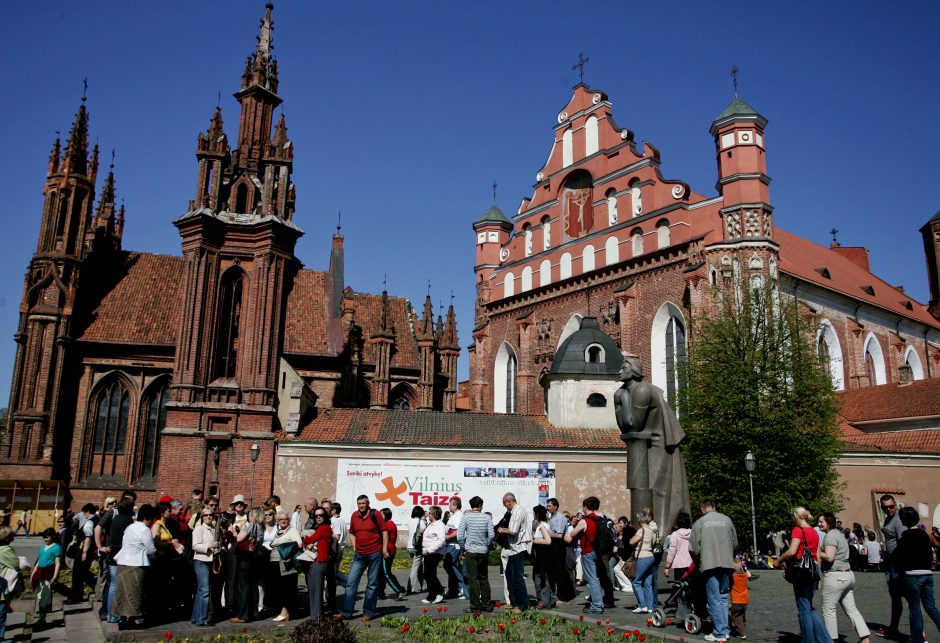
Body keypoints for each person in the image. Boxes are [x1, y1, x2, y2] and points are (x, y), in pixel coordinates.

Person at [775, 507, 829, 643]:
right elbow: (817, 555)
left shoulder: (798, 530)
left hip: (801, 572)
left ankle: (809, 640)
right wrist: (818, 575)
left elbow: (792, 551)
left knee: (804, 609)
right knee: (809, 607)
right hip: (812, 571)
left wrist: (779, 559)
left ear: (797, 516)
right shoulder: (814, 532)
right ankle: (825, 639)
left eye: (793, 517)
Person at [818, 511, 869, 643]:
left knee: (828, 609)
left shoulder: (830, 536)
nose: (819, 524)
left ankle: (831, 640)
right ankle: (864, 638)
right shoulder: (839, 534)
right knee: (851, 609)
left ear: (828, 522)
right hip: (848, 575)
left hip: (836, 577)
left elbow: (829, 557)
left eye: (821, 522)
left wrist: (817, 551)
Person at [690, 498, 736, 642]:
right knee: (723, 598)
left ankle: (719, 632)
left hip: (710, 564)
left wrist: (698, 560)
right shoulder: (727, 520)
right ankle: (725, 629)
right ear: (714, 506)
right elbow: (735, 543)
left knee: (714, 599)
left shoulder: (699, 523)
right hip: (727, 563)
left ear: (702, 508)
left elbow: (693, 548)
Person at [337, 495, 388, 621]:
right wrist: (355, 546)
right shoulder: (354, 515)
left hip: (374, 553)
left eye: (363, 503)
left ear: (368, 503)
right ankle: (346, 612)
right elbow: (351, 532)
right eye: (359, 503)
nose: (361, 505)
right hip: (359, 555)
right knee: (351, 582)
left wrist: (384, 549)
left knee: (372, 584)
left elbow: (384, 531)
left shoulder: (375, 514)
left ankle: (368, 613)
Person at [895, 506, 940, 643]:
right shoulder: (925, 535)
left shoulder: (905, 536)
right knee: (931, 607)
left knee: (914, 608)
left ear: (904, 520)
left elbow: (901, 557)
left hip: (913, 575)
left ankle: (917, 639)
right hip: (927, 573)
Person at [113, 504, 158, 630]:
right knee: (134, 592)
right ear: (147, 517)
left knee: (122, 592)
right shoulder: (144, 529)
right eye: (151, 519)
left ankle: (123, 618)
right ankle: (130, 620)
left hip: (123, 562)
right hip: (136, 564)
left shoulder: (130, 527)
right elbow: (150, 549)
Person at [565, 497, 605, 614]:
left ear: (585, 507)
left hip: (588, 551)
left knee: (591, 579)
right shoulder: (600, 519)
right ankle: (596, 602)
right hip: (598, 551)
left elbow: (571, 535)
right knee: (595, 578)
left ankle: (597, 605)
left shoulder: (585, 521)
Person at [458, 496, 495, 613]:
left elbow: (460, 536)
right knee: (484, 578)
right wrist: (487, 545)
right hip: (483, 551)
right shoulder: (487, 517)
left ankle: (475, 605)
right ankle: (487, 605)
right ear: (480, 506)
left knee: (472, 579)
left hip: (471, 551)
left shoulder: (466, 517)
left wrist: (464, 548)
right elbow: (492, 535)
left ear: (471, 505)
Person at [497, 493, 531, 614]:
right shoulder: (517, 511)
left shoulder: (517, 512)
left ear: (509, 501)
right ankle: (514, 601)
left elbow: (513, 531)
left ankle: (523, 605)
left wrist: (501, 530)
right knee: (509, 575)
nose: (504, 506)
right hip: (513, 548)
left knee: (517, 577)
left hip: (518, 548)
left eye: (504, 503)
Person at [878, 494, 906, 639]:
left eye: (891, 506)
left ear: (895, 504)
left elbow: (903, 542)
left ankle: (919, 632)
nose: (888, 509)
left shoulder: (899, 520)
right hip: (891, 563)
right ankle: (893, 627)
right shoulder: (888, 519)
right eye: (885, 507)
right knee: (895, 597)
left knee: (909, 598)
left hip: (898, 564)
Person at [229, 498, 262, 623]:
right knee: (253, 586)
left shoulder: (251, 525)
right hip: (255, 558)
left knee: (243, 586)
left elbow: (239, 539)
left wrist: (235, 531)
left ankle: (242, 615)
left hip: (245, 558)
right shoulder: (261, 527)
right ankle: (253, 613)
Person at [268, 510, 302, 622]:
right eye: (281, 519)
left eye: (285, 519)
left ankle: (285, 613)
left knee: (285, 589)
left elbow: (299, 544)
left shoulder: (292, 530)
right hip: (275, 563)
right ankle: (282, 611)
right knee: (277, 588)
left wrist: (283, 546)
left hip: (285, 565)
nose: (283, 521)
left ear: (289, 520)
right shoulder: (278, 531)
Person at [302, 507, 334, 620]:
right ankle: (314, 614)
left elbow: (308, 540)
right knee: (312, 589)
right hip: (314, 560)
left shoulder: (324, 528)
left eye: (321, 515)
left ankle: (318, 615)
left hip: (320, 561)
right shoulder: (319, 528)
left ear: (325, 517)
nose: (318, 517)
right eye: (316, 516)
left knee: (316, 588)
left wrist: (307, 540)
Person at [191, 507, 219, 626]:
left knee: (201, 590)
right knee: (204, 590)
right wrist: (209, 546)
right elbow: (195, 545)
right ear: (202, 517)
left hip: (210, 561)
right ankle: (202, 618)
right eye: (206, 515)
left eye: (211, 515)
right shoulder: (198, 529)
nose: (208, 517)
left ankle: (196, 617)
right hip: (201, 560)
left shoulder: (213, 529)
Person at [628, 508, 657, 614]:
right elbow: (653, 542)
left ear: (640, 520)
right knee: (648, 583)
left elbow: (632, 542)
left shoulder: (641, 530)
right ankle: (650, 607)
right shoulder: (651, 530)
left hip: (642, 557)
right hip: (650, 557)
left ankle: (642, 605)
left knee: (636, 582)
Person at [547, 498, 575, 603]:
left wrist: (546, 534)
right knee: (556, 572)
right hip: (553, 546)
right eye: (547, 506)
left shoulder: (559, 518)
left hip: (558, 546)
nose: (548, 508)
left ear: (556, 506)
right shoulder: (552, 517)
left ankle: (564, 596)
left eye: (550, 506)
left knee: (560, 572)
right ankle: (562, 593)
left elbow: (559, 535)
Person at [31, 528, 62, 624]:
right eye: (44, 537)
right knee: (40, 596)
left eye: (47, 537)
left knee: (45, 596)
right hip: (40, 574)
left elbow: (57, 563)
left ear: (52, 536)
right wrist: (33, 573)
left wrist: (55, 576)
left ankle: (42, 618)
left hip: (48, 574)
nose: (45, 539)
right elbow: (39, 561)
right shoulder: (42, 547)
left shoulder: (57, 547)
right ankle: (41, 616)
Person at [665, 511, 693, 618]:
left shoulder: (675, 535)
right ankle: (691, 607)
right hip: (691, 565)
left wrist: (667, 566)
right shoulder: (692, 533)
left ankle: (681, 609)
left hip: (679, 564)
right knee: (690, 587)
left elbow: (672, 551)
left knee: (679, 587)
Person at [376, 508, 407, 600]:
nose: (380, 517)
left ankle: (400, 590)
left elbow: (382, 536)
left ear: (386, 515)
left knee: (386, 573)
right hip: (388, 550)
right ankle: (381, 593)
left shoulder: (388, 525)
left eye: (381, 515)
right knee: (381, 573)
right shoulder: (389, 524)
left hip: (388, 551)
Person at [70, 503, 97, 603]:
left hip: (84, 550)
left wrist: (84, 552)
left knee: (78, 573)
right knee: (82, 571)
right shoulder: (97, 519)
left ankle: (77, 595)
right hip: (90, 550)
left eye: (84, 512)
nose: (84, 515)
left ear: (88, 512)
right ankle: (93, 585)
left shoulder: (89, 522)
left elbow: (88, 537)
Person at [443, 497, 468, 599]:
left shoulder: (458, 516)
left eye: (450, 504)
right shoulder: (455, 515)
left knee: (449, 565)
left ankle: (462, 586)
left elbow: (458, 531)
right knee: (450, 566)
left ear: (455, 506)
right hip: (451, 545)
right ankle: (453, 590)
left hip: (454, 545)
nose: (449, 506)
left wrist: (447, 537)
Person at [421, 505, 446, 605]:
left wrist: (430, 550)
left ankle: (439, 591)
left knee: (430, 574)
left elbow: (441, 541)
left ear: (434, 514)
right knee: (428, 574)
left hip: (435, 553)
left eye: (429, 513)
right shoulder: (431, 524)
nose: (428, 515)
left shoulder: (440, 525)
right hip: (428, 552)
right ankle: (432, 595)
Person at [531, 504, 555, 609]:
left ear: (537, 514)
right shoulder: (543, 525)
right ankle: (546, 600)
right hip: (542, 555)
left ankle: (544, 602)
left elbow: (548, 541)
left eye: (534, 513)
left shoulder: (542, 526)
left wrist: (534, 541)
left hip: (542, 555)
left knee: (540, 578)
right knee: (541, 577)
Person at [0, 527, 20, 642]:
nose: (14, 537)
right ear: (7, 537)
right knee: (1, 613)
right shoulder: (6, 550)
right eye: (12, 535)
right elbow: (16, 564)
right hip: (2, 585)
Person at [327, 501, 347, 614]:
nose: (328, 511)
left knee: (333, 573)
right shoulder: (342, 520)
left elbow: (337, 536)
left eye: (330, 509)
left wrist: (334, 549)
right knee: (333, 572)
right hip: (341, 549)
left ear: (334, 511)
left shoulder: (335, 521)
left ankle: (347, 583)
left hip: (336, 549)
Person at [407, 506, 426, 596]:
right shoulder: (421, 522)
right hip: (417, 547)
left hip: (409, 546)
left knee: (419, 567)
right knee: (415, 568)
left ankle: (423, 585)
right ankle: (410, 588)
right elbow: (423, 533)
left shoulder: (410, 521)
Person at [730, 556, 750, 639]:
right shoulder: (745, 575)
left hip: (736, 600)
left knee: (736, 617)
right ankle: (743, 630)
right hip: (745, 600)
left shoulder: (733, 575)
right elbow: (748, 574)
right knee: (742, 616)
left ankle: (742, 633)